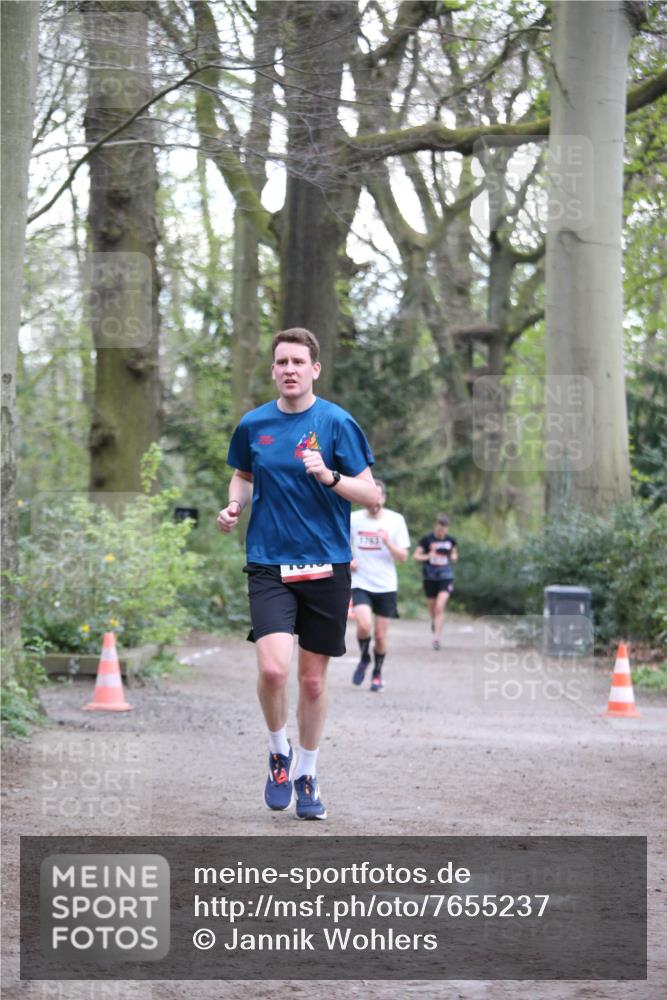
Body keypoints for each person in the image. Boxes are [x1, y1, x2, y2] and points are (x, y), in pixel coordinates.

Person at [217, 328, 376, 820]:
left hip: (326, 564)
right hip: (268, 561)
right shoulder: (254, 425)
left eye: (298, 362)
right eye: (281, 361)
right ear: (273, 370)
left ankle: (307, 772)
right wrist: (232, 506)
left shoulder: (336, 423)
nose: (289, 369)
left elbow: (371, 496)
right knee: (272, 668)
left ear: (314, 369)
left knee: (310, 681)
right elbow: (242, 476)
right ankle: (277, 752)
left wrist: (329, 475)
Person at [350, 480, 410, 691]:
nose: (373, 502)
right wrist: (348, 560)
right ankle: (365, 657)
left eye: (377, 497)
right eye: (369, 498)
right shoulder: (353, 519)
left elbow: (403, 556)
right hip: (360, 582)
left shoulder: (396, 520)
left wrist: (387, 542)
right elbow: (340, 544)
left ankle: (377, 673)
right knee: (364, 625)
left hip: (385, 585)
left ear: (383, 498)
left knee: (381, 636)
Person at [413, 514, 458, 650]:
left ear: (447, 529)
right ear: (436, 526)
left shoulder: (451, 541)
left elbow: (455, 554)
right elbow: (415, 556)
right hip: (430, 577)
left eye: (443, 528)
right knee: (433, 609)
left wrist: (453, 556)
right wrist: (428, 556)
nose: (441, 531)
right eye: (439, 527)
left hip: (445, 576)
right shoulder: (427, 539)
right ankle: (434, 621)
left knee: (439, 607)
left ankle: (436, 638)